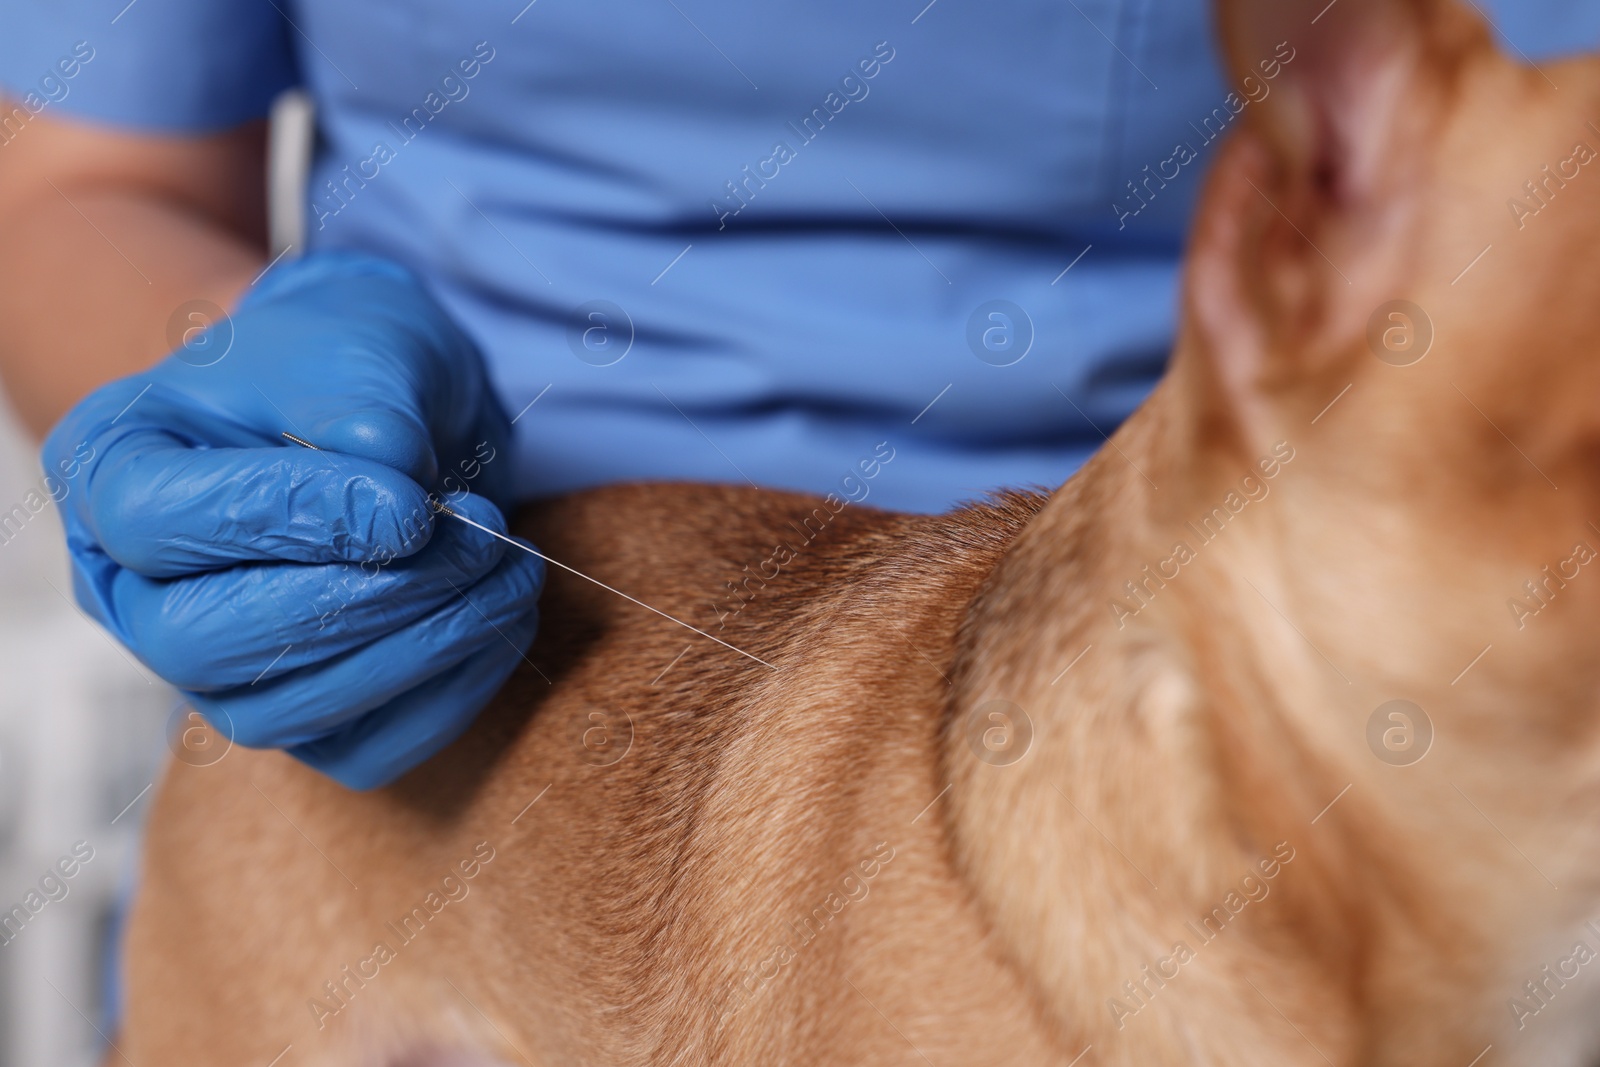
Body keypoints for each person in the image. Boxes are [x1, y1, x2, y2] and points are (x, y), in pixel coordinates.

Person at [0, 0, 1593, 792]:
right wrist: (229, 398)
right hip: (441, 693)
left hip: (1146, 687)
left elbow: (1518, 182)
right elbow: (82, 173)